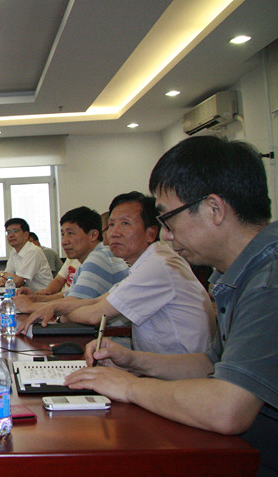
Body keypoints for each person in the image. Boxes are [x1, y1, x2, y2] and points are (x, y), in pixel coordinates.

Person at [67, 137, 277, 475]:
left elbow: (228, 410)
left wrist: (129, 386)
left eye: (169, 218)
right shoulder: (240, 272)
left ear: (214, 208)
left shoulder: (269, 281)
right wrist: (133, 361)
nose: (165, 235)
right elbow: (211, 364)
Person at [24, 192, 214, 354]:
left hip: (179, 372)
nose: (114, 233)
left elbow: (95, 314)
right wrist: (55, 307)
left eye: (125, 223)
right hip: (158, 364)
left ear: (151, 232)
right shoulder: (146, 262)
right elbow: (95, 301)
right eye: (112, 224)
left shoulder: (158, 265)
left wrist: (58, 312)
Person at [18, 206, 128, 309]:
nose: (64, 242)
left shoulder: (98, 259)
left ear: (93, 235)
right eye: (63, 234)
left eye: (70, 233)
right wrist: (35, 299)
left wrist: (30, 306)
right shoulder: (93, 256)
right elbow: (68, 295)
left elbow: (72, 304)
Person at [0, 218, 52, 292]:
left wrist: (1, 274)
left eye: (15, 231)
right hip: (29, 294)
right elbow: (7, 278)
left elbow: (18, 281)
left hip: (45, 295)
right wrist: (1, 277)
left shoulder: (32, 251)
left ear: (26, 235)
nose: (11, 235)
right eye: (8, 232)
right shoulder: (14, 252)